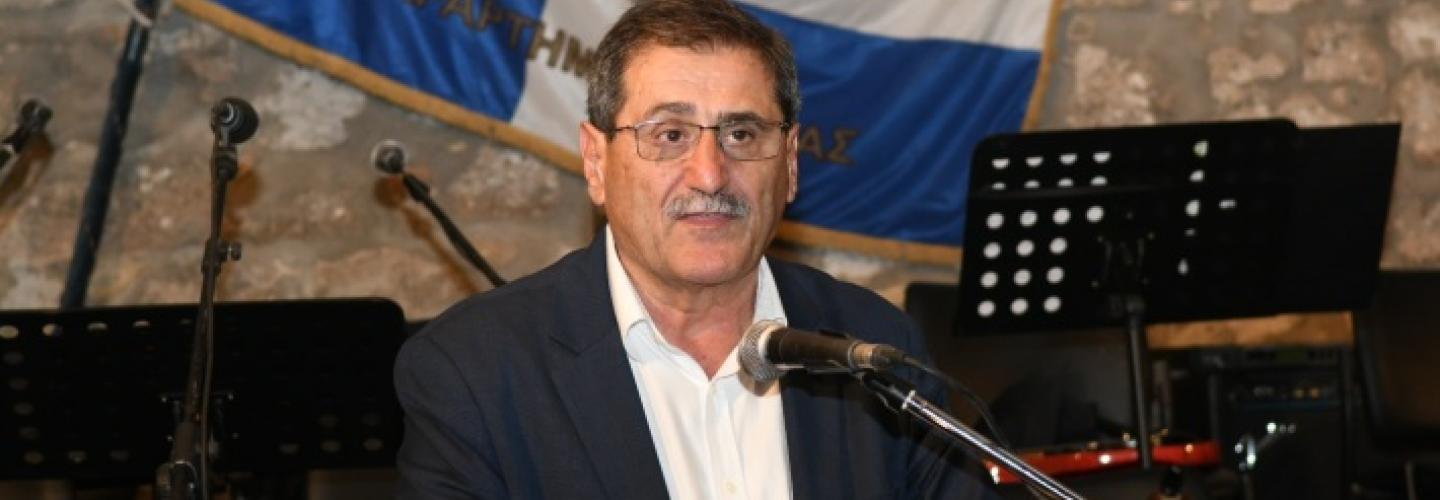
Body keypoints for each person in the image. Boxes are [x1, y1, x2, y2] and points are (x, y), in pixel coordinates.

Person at [393, 1, 998, 498]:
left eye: (742, 133)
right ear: (597, 162)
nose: (709, 174)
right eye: (670, 134)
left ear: (789, 165)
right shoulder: (475, 371)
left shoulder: (873, 347)